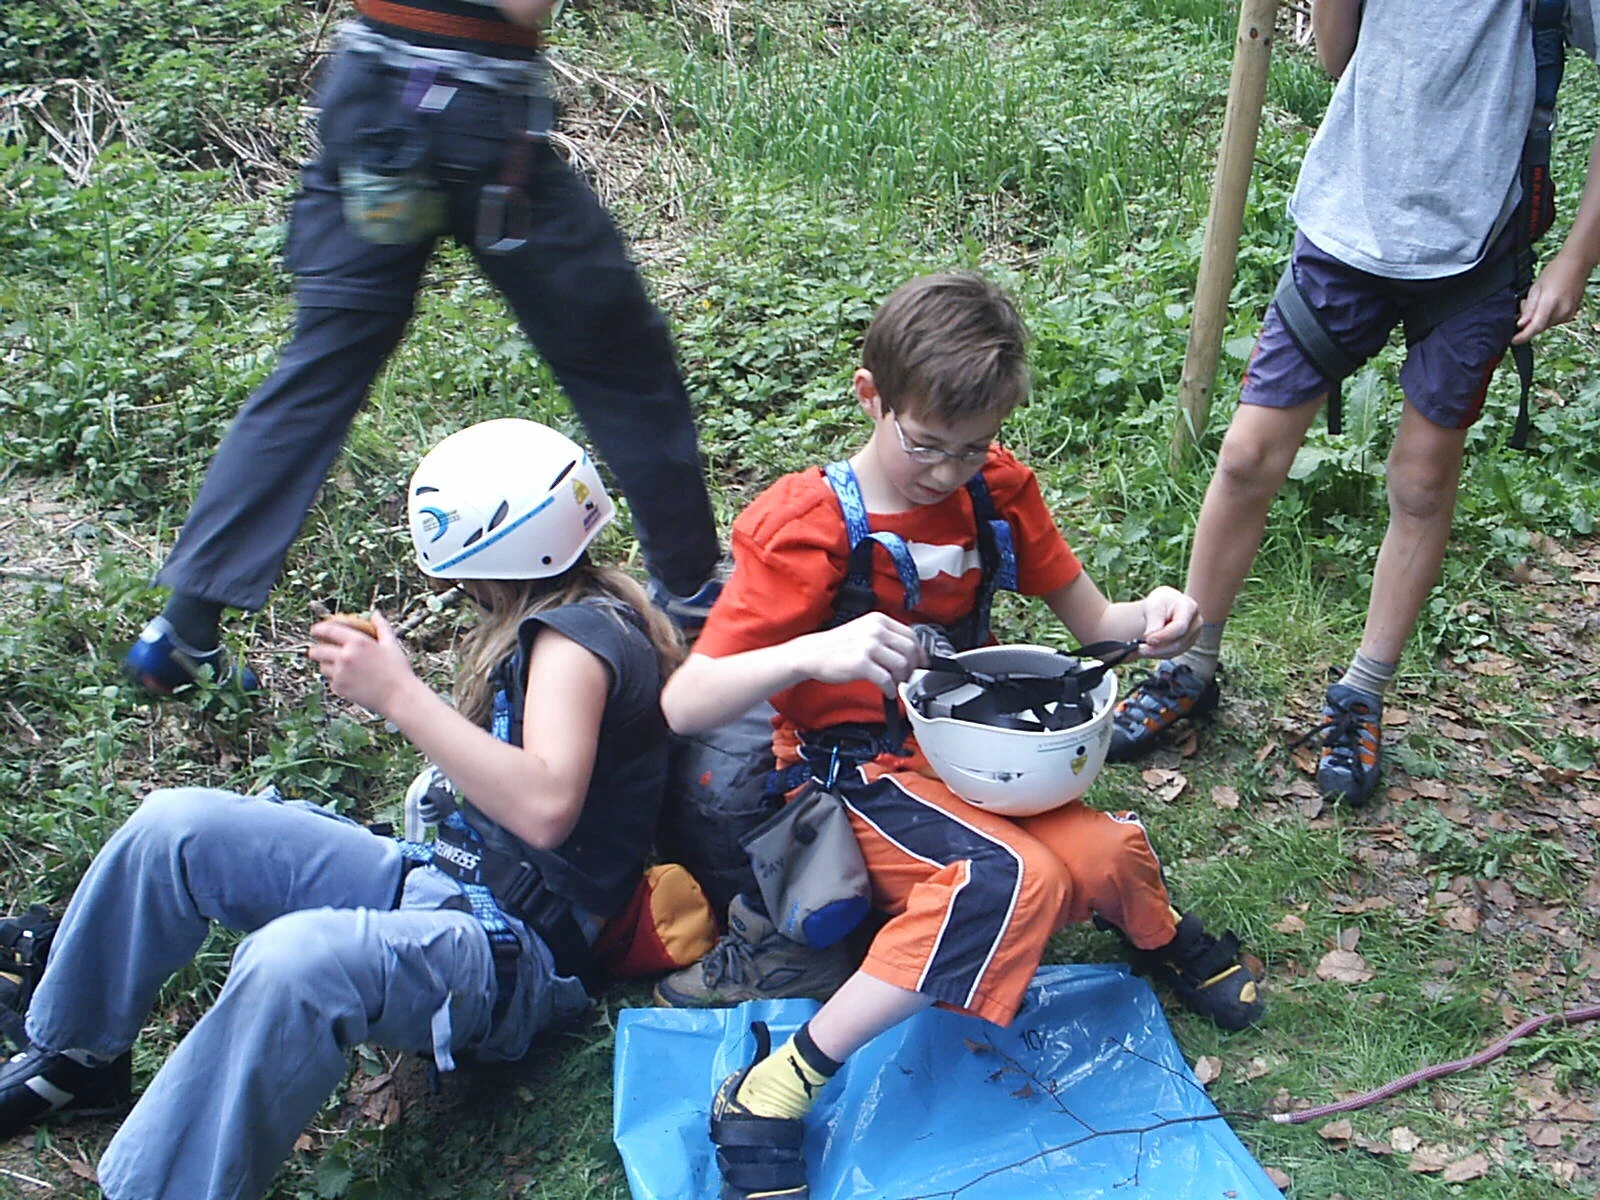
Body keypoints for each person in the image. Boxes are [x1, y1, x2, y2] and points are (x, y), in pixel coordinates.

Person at [658, 274, 1264, 1200]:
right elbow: (687, 702)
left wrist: (1159, 619)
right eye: (927, 445)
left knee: (1100, 855)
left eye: (972, 447)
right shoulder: (809, 526)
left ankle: (1160, 937)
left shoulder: (998, 494)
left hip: (970, 751)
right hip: (847, 777)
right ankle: (775, 1086)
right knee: (1011, 880)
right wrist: (816, 651)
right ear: (872, 395)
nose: (947, 472)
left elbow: (1099, 617)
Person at [0, 419, 681, 1200]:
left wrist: (397, 694)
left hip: (518, 956)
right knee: (177, 824)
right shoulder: (566, 616)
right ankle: (77, 1057)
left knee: (297, 963)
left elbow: (546, 808)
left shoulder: (577, 644)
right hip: (440, 879)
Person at [123, 0, 721, 695]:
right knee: (623, 361)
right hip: (480, 112)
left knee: (320, 370)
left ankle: (182, 630)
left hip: (370, 93)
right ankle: (688, 598)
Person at [1108, 0, 1600, 805]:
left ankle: (1363, 691)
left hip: (1479, 252)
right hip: (1344, 231)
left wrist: (1574, 260)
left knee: (1422, 481)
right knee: (1245, 456)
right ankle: (1190, 664)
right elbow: (1341, 57)